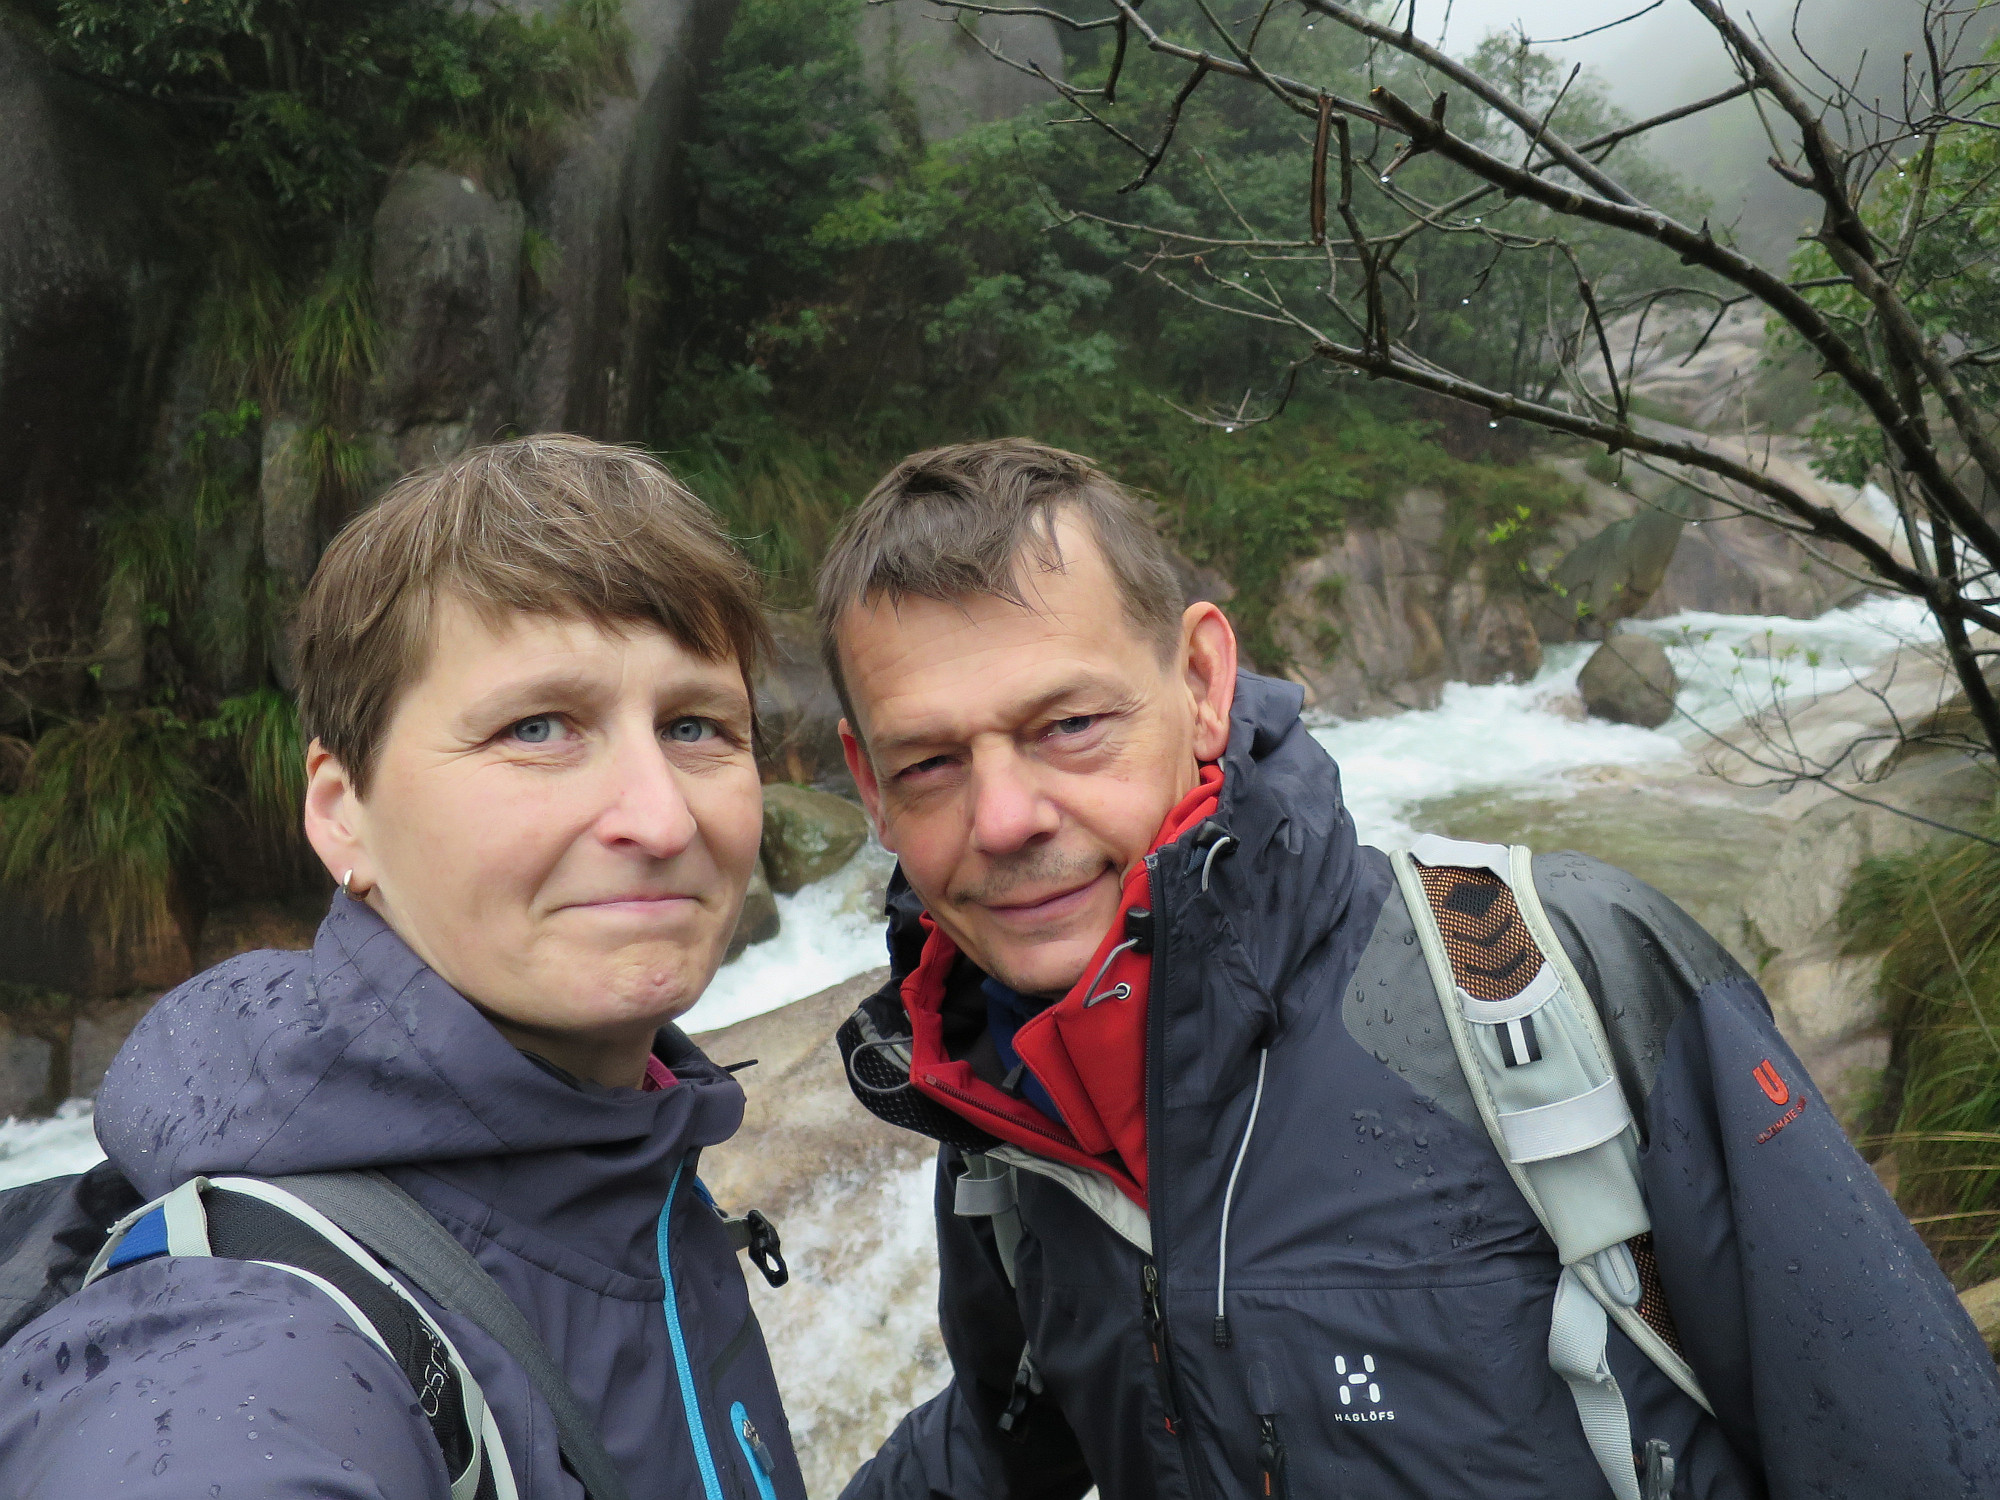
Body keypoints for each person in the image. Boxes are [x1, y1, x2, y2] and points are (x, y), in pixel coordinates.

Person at [817, 437, 2000, 1500]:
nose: (1004, 818)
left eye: (1069, 725)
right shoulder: (994, 1095)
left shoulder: (1539, 968)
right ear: (866, 785)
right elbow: (1012, 1427)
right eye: (927, 763)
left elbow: (1909, 1442)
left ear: (1201, 683)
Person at [0, 436, 805, 1499]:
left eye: (695, 726)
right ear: (343, 814)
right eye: (537, 728)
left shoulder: (633, 1161)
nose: (660, 819)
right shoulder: (238, 1346)